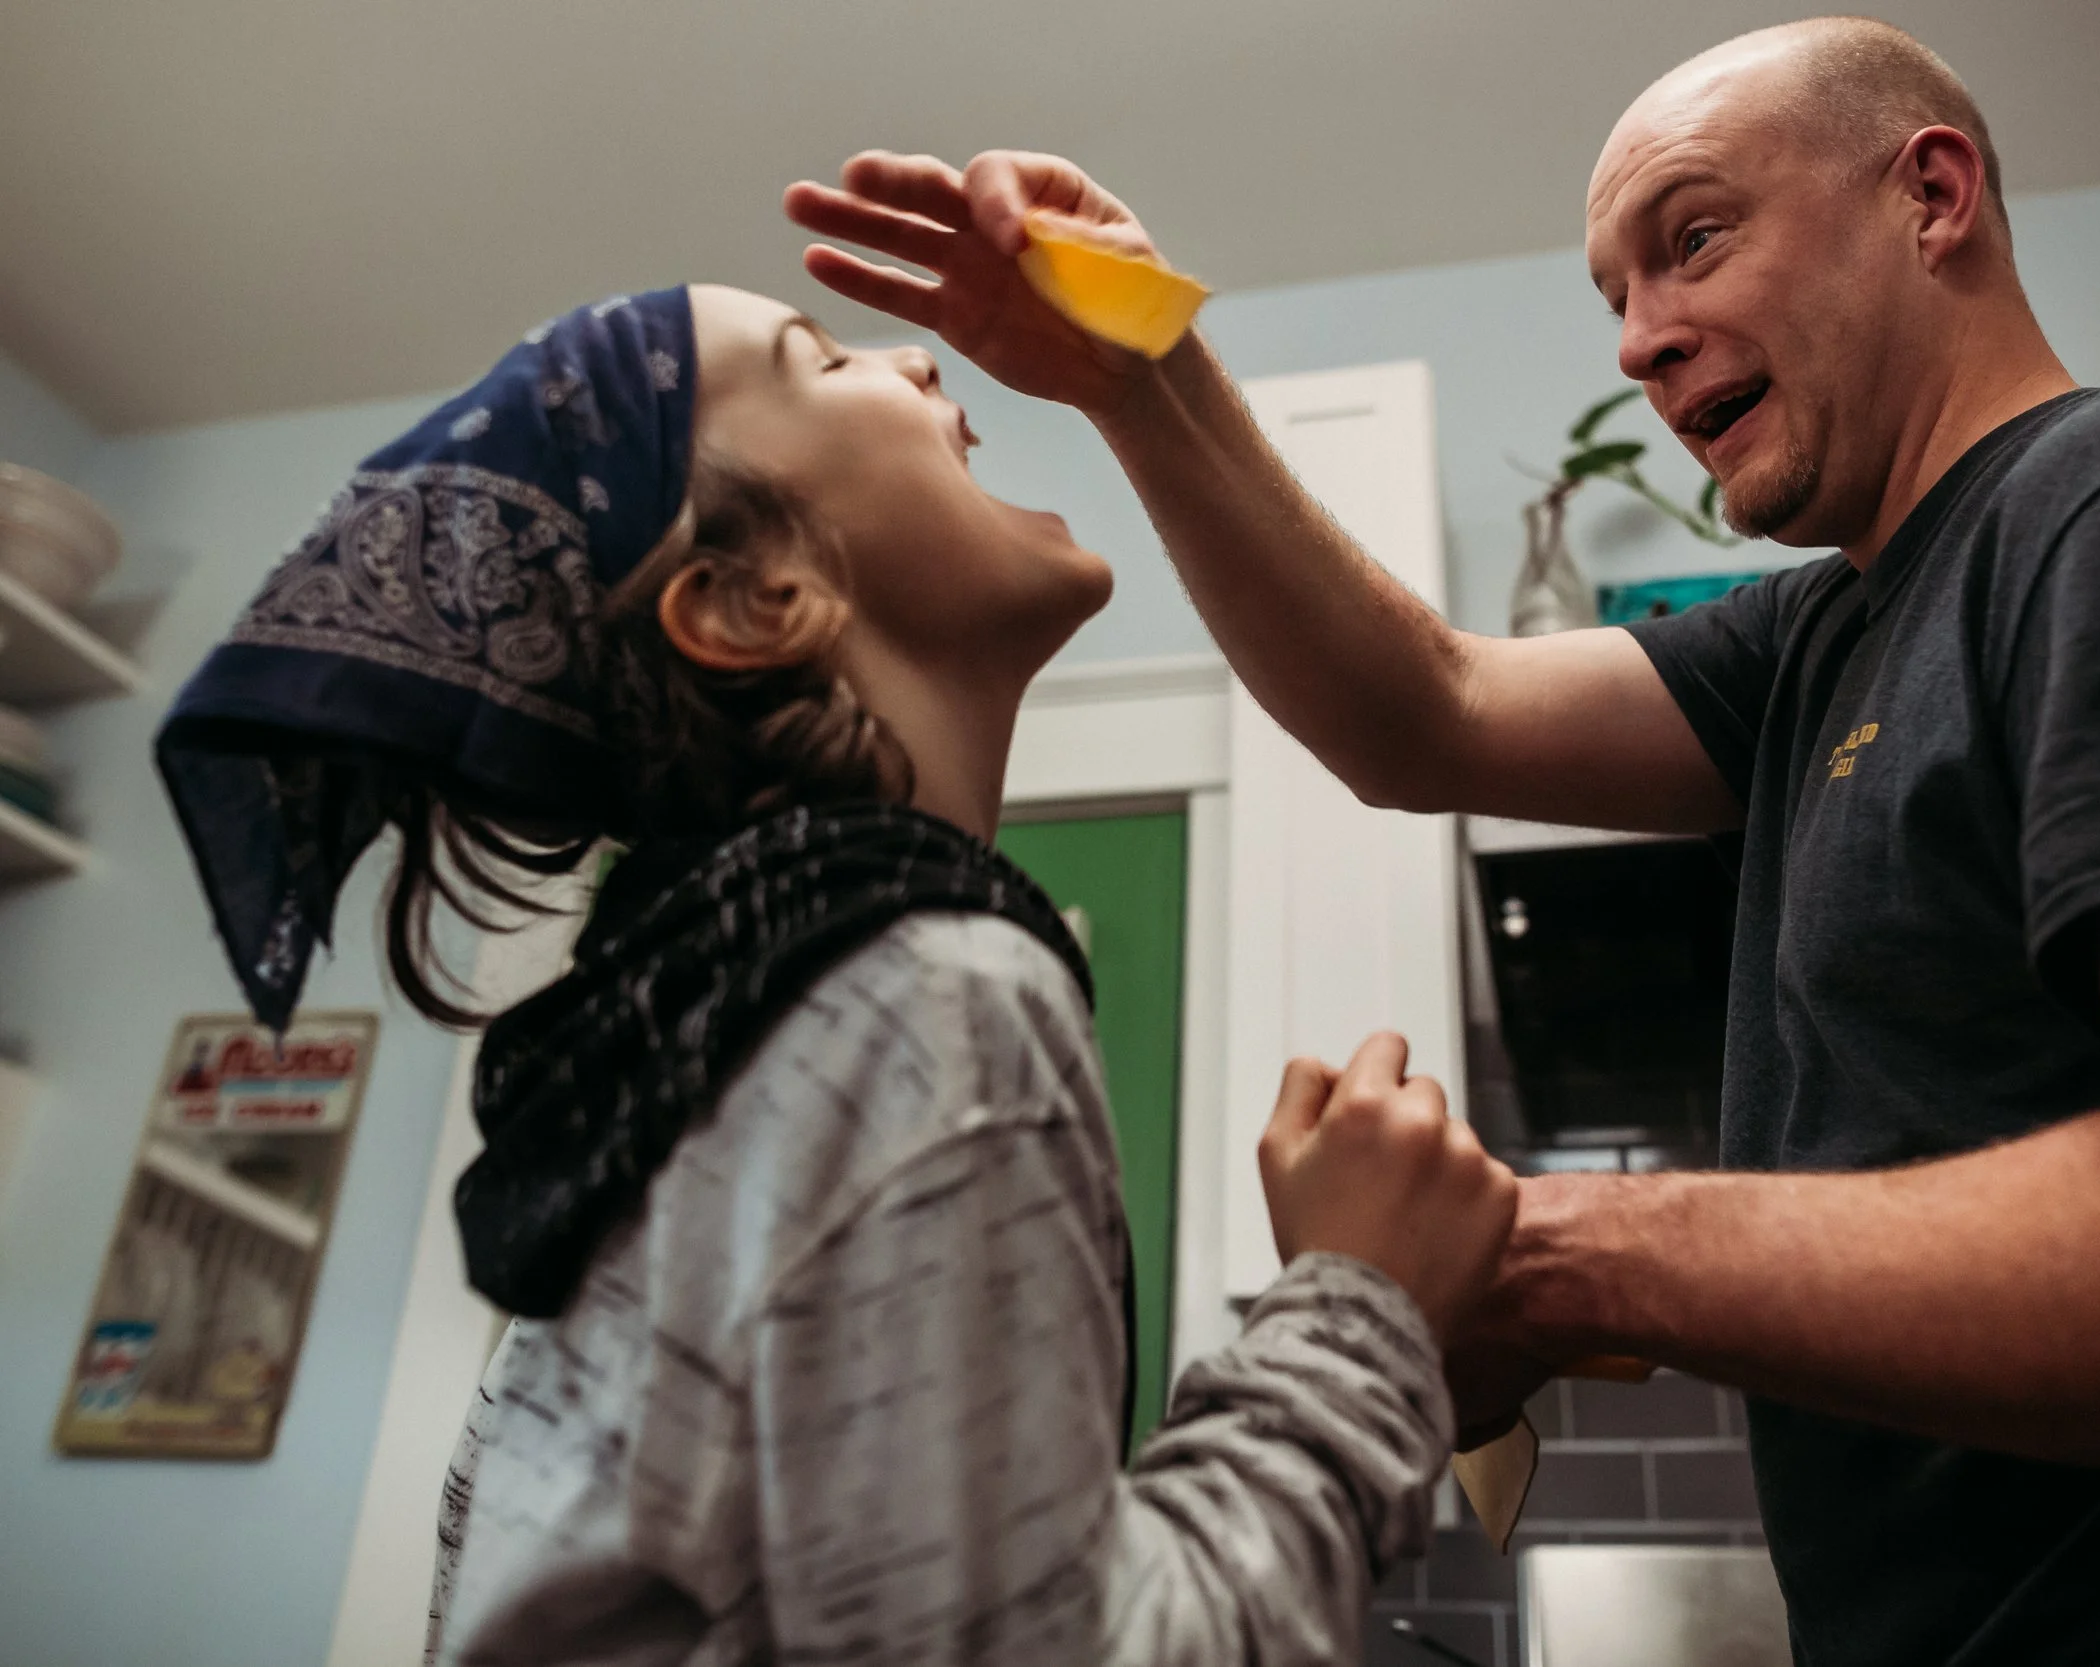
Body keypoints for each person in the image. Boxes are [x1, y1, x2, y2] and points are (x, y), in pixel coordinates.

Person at [785, 15, 2100, 1662]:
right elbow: (1424, 712)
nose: (1638, 338)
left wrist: (1539, 1254)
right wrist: (1138, 377)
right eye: (1614, 295)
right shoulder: (1825, 638)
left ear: (1931, 194)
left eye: (1694, 240)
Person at [153, 283, 1519, 1665]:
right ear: (755, 606)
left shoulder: (703, 1026)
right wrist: (1364, 1295)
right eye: (817, 356)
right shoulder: (921, 994)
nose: (919, 356)